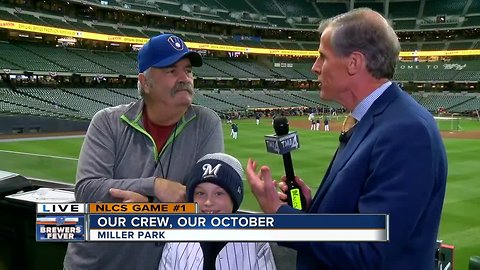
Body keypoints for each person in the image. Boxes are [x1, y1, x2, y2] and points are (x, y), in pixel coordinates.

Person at [245, 8, 447, 270]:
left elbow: (371, 250)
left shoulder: (406, 131)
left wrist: (280, 216)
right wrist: (311, 209)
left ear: (354, 62)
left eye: (322, 57)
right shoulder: (376, 119)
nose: (315, 67)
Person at [63, 34, 224, 270]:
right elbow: (87, 191)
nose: (185, 78)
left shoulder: (206, 123)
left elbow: (205, 207)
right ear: (145, 82)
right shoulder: (107, 122)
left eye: (188, 70)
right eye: (171, 70)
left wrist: (146, 206)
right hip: (95, 264)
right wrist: (155, 186)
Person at [157, 153, 277, 270]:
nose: (208, 202)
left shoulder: (255, 242)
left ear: (234, 199)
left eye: (219, 193)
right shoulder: (176, 239)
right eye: (200, 193)